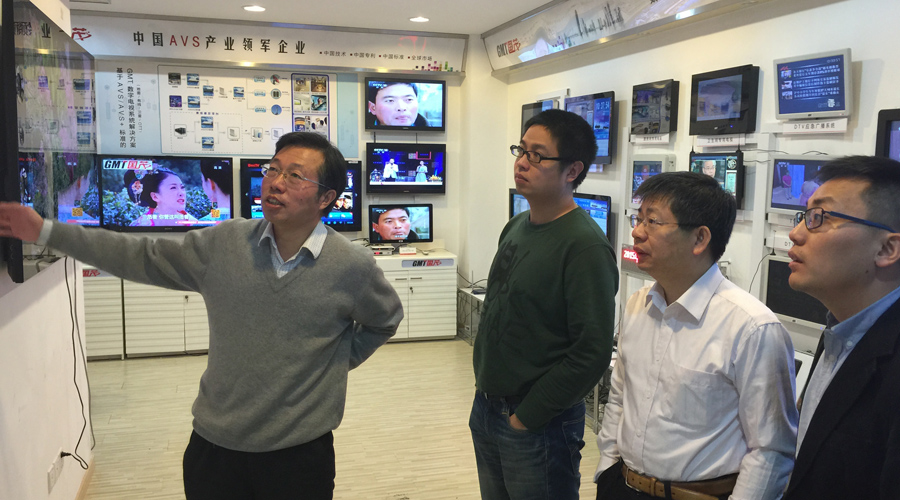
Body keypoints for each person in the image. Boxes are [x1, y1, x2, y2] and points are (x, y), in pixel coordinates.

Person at [0, 132, 404, 500]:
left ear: (326, 198)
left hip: (299, 455)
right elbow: (140, 255)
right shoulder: (225, 244)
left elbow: (384, 320)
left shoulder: (352, 266)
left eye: (295, 176)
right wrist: (47, 232)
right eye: (273, 169)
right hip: (215, 449)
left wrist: (332, 364)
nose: (275, 183)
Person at [594, 171, 798, 500]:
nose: (637, 232)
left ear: (700, 239)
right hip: (623, 486)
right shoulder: (638, 305)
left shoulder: (752, 327)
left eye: (652, 221)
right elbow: (620, 396)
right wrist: (607, 467)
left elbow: (770, 450)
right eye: (638, 218)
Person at [471, 109, 618, 500]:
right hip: (487, 406)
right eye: (521, 150)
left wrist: (528, 417)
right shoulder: (516, 226)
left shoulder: (584, 246)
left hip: (538, 422)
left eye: (537, 155)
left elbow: (591, 351)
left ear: (573, 171)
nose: (522, 162)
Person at [783, 156, 900, 500]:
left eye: (820, 217)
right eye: (805, 215)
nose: (795, 233)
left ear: (887, 248)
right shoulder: (840, 331)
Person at [131, 168, 199, 227]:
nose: (181, 193)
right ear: (155, 196)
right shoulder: (139, 226)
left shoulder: (195, 224)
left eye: (182, 187)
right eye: (173, 188)